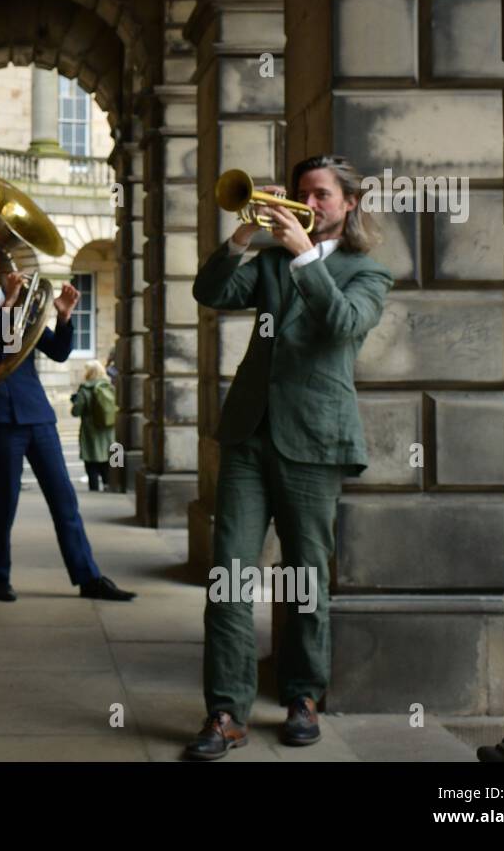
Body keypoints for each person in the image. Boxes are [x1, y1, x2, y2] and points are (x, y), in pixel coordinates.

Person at [184, 154, 393, 760]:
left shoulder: (366, 272)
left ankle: (303, 696)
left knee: (305, 578)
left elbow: (342, 324)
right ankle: (225, 711)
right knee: (228, 577)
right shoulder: (269, 260)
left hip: (316, 439)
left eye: (322, 194)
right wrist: (246, 231)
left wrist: (304, 253)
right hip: (249, 436)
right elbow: (210, 291)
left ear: (349, 203)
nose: (310, 201)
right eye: (303, 192)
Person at [0, 240, 135, 603]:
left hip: (37, 414)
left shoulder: (24, 304)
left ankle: (88, 577)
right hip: (1, 418)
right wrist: (6, 304)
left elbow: (58, 351)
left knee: (64, 498)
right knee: (5, 501)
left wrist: (64, 316)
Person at [70, 360, 116, 491]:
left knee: (91, 465)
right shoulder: (110, 387)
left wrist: (74, 402)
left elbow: (75, 412)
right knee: (108, 463)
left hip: (91, 432)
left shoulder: (85, 389)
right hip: (109, 431)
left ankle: (94, 491)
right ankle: (109, 487)